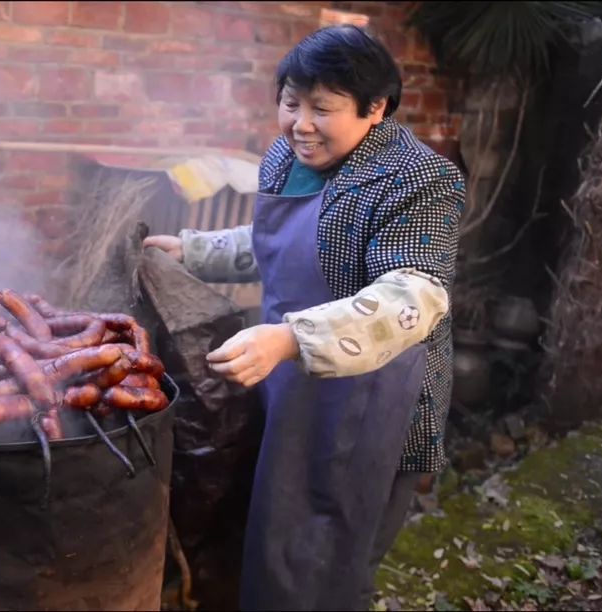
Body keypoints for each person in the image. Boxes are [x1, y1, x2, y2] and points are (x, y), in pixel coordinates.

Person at [144, 25, 464, 611]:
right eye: (292, 103)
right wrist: (193, 251)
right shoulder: (291, 155)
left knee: (330, 553)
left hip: (371, 397)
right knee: (272, 532)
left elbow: (411, 299)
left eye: (323, 108)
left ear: (376, 108)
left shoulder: (419, 179)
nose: (301, 123)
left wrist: (291, 337)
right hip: (290, 378)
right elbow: (285, 244)